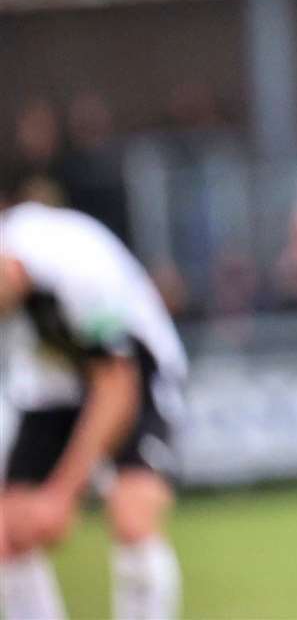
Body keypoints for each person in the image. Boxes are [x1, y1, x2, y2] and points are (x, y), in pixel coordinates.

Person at [0, 176, 186, 620]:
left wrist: (64, 493)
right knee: (10, 531)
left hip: (135, 374)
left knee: (132, 515)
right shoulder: (15, 276)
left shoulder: (78, 269)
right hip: (56, 381)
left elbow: (115, 387)